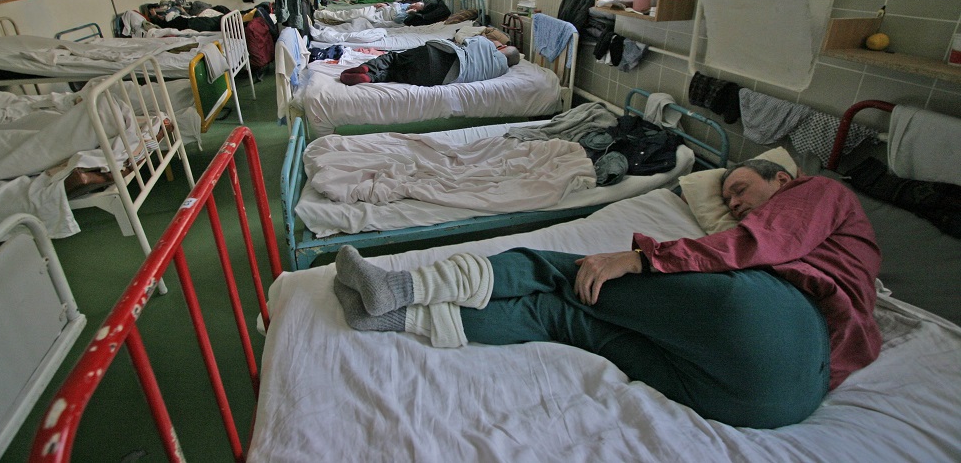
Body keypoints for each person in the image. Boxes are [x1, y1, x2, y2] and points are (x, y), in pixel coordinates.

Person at [332, 159, 882, 428]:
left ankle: (402, 285)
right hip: (777, 404)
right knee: (569, 320)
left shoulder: (820, 192)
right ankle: (396, 316)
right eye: (729, 197)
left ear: (782, 179)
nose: (735, 203)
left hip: (778, 320)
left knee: (564, 271)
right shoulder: (840, 246)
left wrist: (644, 258)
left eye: (740, 188)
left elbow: (753, 244)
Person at [339, 35, 521, 87]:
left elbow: (465, 40)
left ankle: (366, 67)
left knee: (394, 58)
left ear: (501, 48)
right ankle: (370, 78)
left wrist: (494, 42)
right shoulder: (500, 71)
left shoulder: (485, 44)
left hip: (439, 55)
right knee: (395, 73)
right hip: (440, 77)